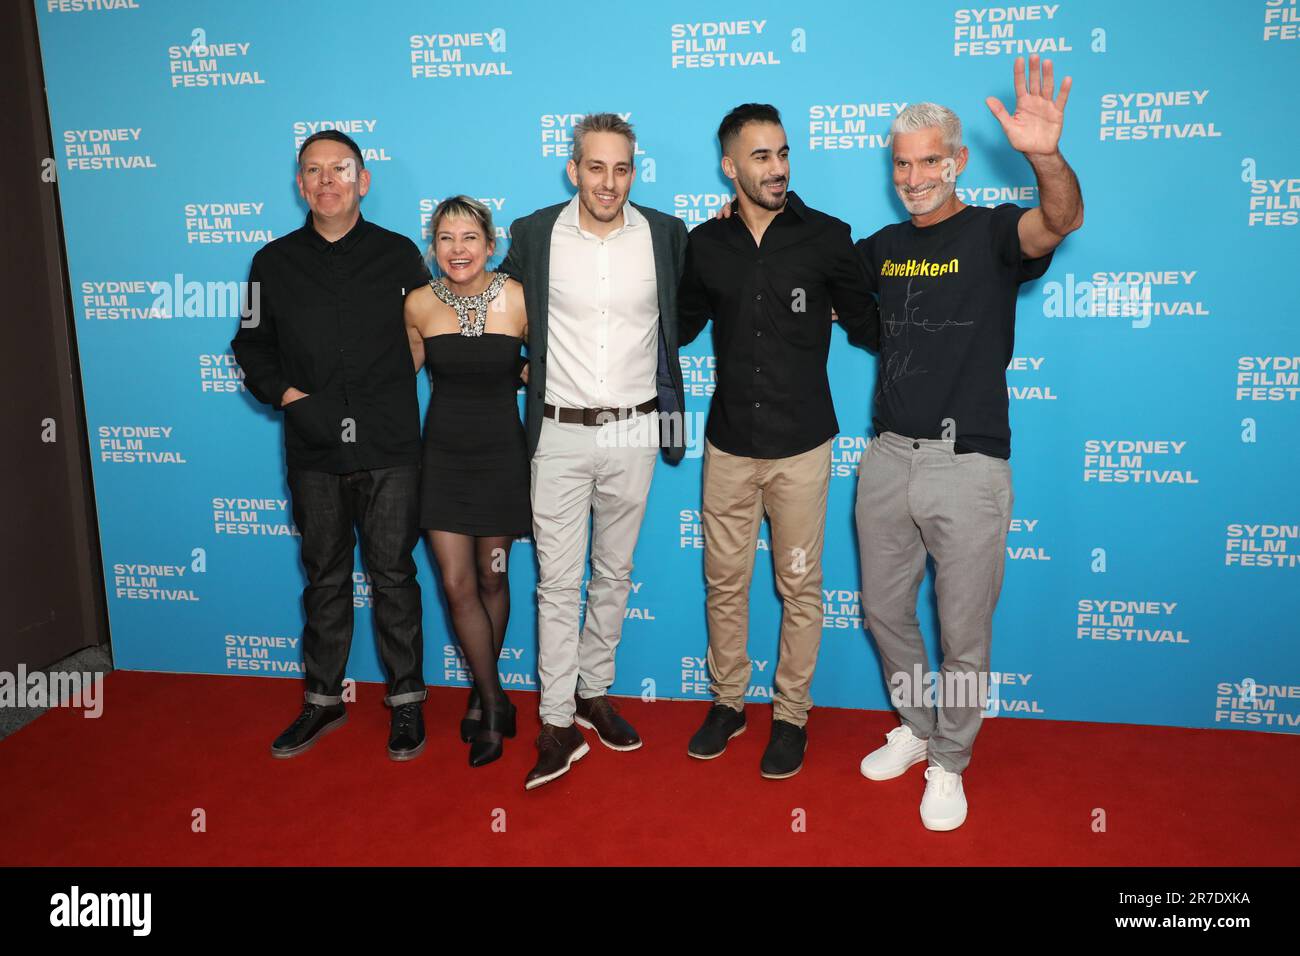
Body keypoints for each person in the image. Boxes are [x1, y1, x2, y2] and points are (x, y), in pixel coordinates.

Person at [854, 56, 1083, 830]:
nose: (915, 175)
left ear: (956, 162)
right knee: (885, 612)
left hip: (968, 462)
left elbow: (1058, 220)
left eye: (929, 160)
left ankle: (950, 759)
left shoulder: (991, 231)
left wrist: (1045, 156)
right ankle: (919, 730)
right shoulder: (879, 249)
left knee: (963, 634)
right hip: (886, 458)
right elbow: (807, 281)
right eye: (902, 162)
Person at [676, 103, 879, 780]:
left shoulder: (827, 238)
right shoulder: (705, 246)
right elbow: (671, 329)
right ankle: (728, 704)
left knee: (800, 586)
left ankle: (791, 715)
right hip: (730, 446)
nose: (777, 167)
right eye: (760, 156)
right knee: (724, 584)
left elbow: (872, 325)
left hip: (801, 449)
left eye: (784, 153)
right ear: (730, 167)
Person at [497, 112, 690, 791]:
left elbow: (684, 319)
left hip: (636, 428)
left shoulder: (666, 234)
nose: (609, 182)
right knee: (556, 580)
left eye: (622, 168)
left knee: (614, 572)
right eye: (596, 167)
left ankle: (591, 690)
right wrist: (516, 363)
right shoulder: (534, 232)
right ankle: (554, 722)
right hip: (558, 429)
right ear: (573, 168)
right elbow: (499, 307)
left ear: (633, 171)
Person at [232, 129, 432, 761]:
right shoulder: (272, 262)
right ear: (300, 184)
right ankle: (323, 702)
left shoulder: (400, 255)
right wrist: (291, 397)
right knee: (324, 576)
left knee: (395, 576)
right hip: (314, 448)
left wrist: (400, 375)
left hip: (390, 445)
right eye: (313, 171)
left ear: (362, 180)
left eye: (338, 170)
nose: (326, 181)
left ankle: (406, 704)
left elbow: (430, 327)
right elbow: (251, 344)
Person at [404, 196, 530, 768]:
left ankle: (485, 700)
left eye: (470, 238)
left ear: (491, 244)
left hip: (503, 459)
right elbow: (395, 376)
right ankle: (493, 700)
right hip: (445, 462)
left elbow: (551, 365)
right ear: (433, 248)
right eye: (447, 239)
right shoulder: (418, 305)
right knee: (457, 586)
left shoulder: (519, 299)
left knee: (491, 578)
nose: (459, 249)